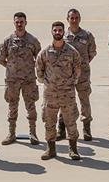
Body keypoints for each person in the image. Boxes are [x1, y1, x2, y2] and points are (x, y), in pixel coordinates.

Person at [36, 21, 84, 161]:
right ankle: (51, 150)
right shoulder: (45, 52)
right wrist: (47, 83)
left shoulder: (72, 52)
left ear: (63, 32)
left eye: (60, 30)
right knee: (49, 122)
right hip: (50, 94)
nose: (58, 32)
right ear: (52, 32)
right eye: (55, 30)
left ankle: (73, 149)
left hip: (67, 94)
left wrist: (70, 83)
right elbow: (39, 69)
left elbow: (77, 70)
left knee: (71, 122)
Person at [0, 12, 42, 146]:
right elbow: (0, 59)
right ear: (14, 23)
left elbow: (40, 59)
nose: (19, 24)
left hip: (28, 80)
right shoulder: (8, 41)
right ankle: (11, 134)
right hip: (12, 81)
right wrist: (11, 68)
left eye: (22, 22)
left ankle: (33, 133)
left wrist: (28, 68)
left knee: (31, 106)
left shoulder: (32, 41)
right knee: (12, 107)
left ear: (26, 23)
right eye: (17, 22)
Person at [64, 8, 97, 141]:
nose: (74, 20)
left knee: (85, 101)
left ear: (80, 19)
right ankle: (62, 128)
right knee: (65, 101)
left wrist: (81, 65)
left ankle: (86, 128)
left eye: (76, 17)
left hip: (83, 75)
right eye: (71, 18)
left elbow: (92, 53)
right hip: (66, 75)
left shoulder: (87, 35)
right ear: (68, 19)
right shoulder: (63, 35)